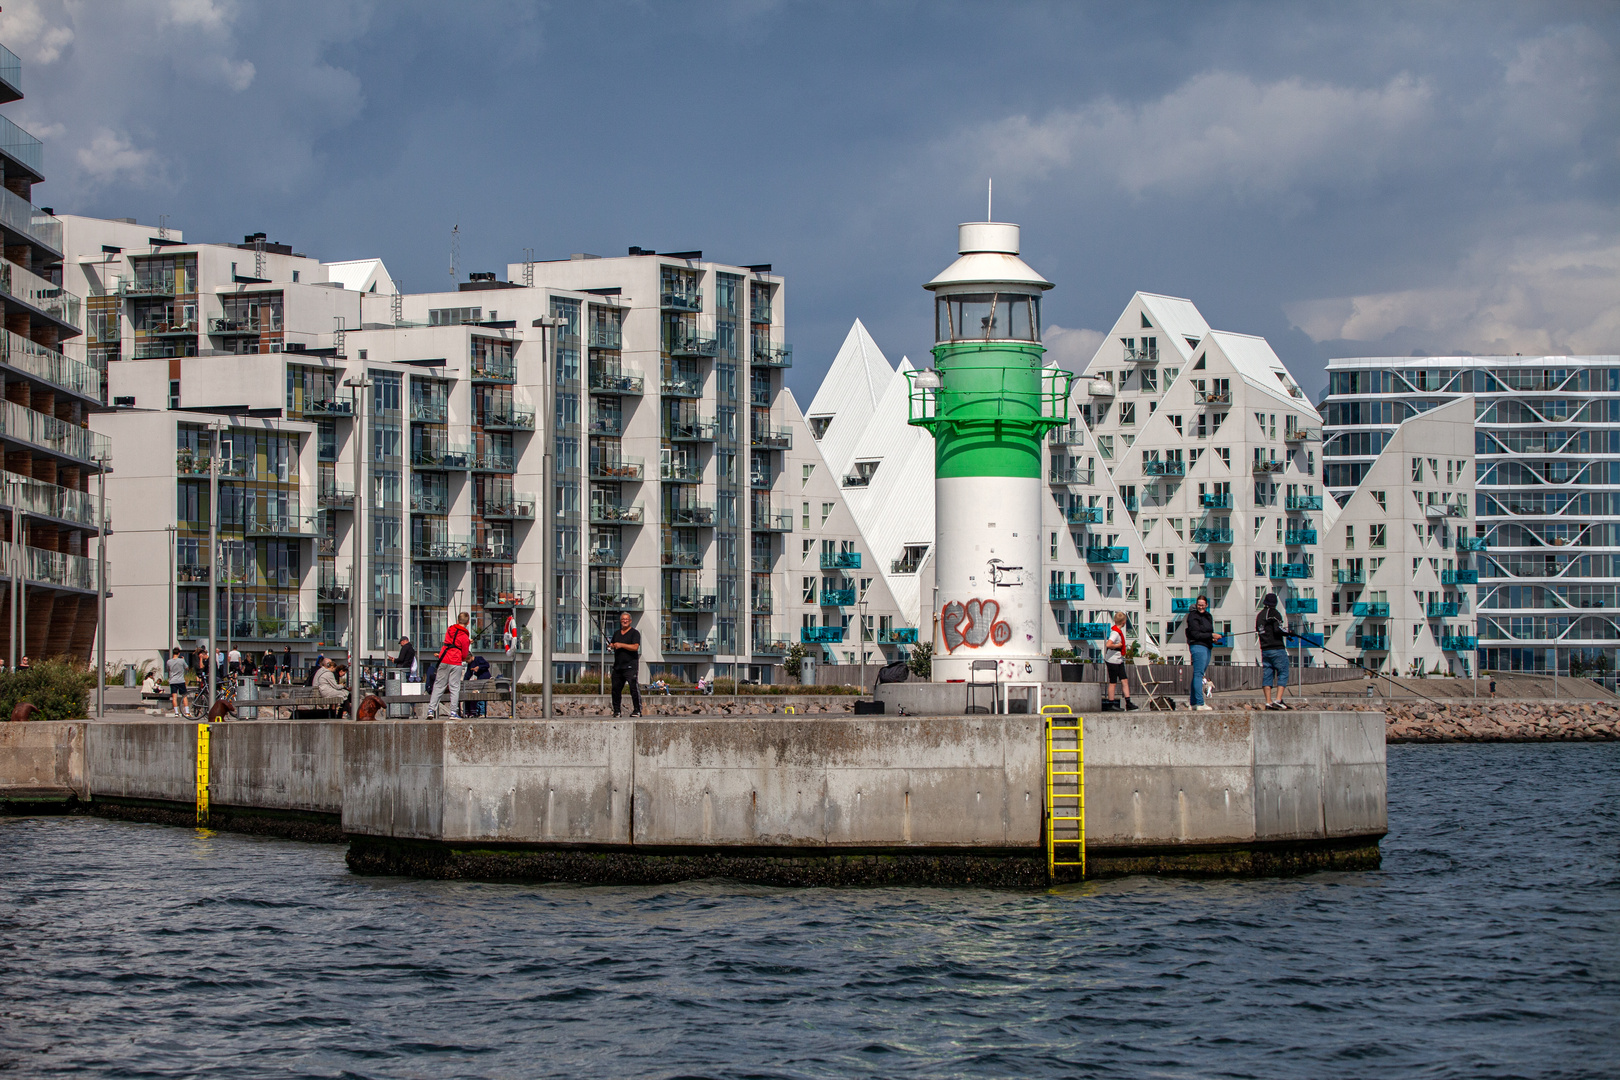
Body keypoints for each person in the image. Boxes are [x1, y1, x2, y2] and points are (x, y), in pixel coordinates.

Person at [426, 613, 473, 718]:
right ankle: (453, 712)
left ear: (458, 620)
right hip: (455, 662)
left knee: (438, 685)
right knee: (454, 687)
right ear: (468, 622)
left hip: (444, 659)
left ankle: (430, 710)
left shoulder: (450, 629)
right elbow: (465, 654)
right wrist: (467, 643)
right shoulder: (465, 636)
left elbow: (452, 641)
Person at [1257, 593, 1290, 710]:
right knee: (1283, 672)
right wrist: (1288, 633)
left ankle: (1268, 701)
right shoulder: (1275, 614)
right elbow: (1278, 629)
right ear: (1275, 603)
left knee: (1268, 674)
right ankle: (1278, 700)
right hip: (1277, 648)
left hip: (1265, 650)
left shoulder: (1260, 616)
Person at [1185, 595, 1217, 712]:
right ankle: (1199, 703)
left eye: (1203, 605)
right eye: (1199, 605)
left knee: (1198, 674)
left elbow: (1208, 631)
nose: (1201, 607)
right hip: (1197, 646)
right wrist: (1211, 635)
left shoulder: (1208, 616)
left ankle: (1193, 702)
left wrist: (1212, 638)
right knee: (1199, 674)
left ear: (1206, 605)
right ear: (1196, 604)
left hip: (1207, 646)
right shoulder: (1193, 616)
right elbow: (1195, 634)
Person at [608, 610, 642, 717]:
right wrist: (611, 646)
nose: (625, 621)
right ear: (620, 621)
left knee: (633, 687)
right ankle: (617, 711)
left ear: (630, 621)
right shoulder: (616, 633)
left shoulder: (635, 633)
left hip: (630, 666)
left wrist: (621, 645)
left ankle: (637, 710)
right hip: (618, 666)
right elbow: (613, 644)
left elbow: (635, 647)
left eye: (626, 619)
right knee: (615, 689)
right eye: (623, 619)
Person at [1102, 611, 1136, 711]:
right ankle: (1111, 704)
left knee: (1124, 680)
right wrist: (1118, 646)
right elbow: (1108, 644)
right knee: (1113, 682)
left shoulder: (1118, 631)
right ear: (1124, 622)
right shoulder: (1115, 633)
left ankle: (1128, 702)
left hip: (1119, 660)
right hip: (1112, 661)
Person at [166, 648, 189, 717]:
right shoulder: (181, 661)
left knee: (174, 697)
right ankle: (187, 712)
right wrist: (183, 660)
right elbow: (187, 668)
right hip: (181, 680)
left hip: (172, 681)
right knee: (184, 696)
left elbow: (168, 669)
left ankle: (176, 712)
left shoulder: (169, 661)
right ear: (179, 653)